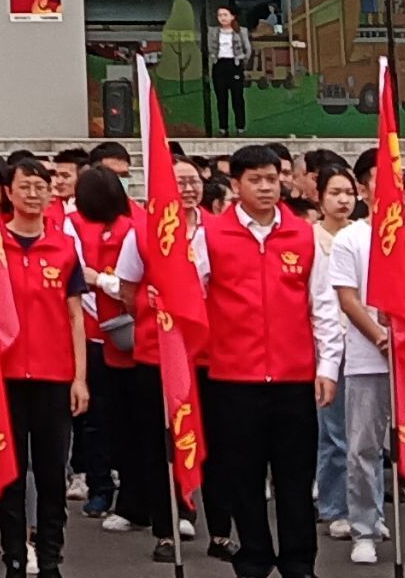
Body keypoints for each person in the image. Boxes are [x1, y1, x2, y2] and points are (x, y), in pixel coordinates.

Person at [135, 143, 335, 578]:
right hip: (232, 377)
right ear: (236, 184)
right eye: (255, 180)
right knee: (243, 477)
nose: (265, 187)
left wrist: (327, 368)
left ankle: (299, 562)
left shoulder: (302, 235)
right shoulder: (211, 236)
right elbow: (191, 292)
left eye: (272, 179)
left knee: (295, 479)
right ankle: (254, 559)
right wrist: (165, 297)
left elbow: (322, 305)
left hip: (294, 377)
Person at [0, 154, 86, 578]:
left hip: (54, 377)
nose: (33, 194)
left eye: (41, 187)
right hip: (4, 378)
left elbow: (75, 316)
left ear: (51, 194)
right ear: (8, 192)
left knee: (52, 474)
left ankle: (50, 557)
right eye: (25, 187)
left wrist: (80, 378)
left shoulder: (65, 247)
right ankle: (14, 556)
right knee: (8, 474)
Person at [68, 164, 161, 546]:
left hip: (140, 335)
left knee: (148, 427)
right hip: (106, 338)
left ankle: (163, 506)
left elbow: (130, 285)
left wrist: (101, 280)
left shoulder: (136, 225)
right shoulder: (77, 225)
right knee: (117, 424)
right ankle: (128, 500)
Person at [322, 165, 403, 568]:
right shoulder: (350, 239)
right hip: (366, 357)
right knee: (362, 448)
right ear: (365, 190)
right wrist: (380, 337)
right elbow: (347, 298)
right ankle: (365, 528)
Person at [303, 167, 359, 548]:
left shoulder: (362, 235)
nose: (343, 200)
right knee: (334, 431)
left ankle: (366, 510)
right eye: (335, 192)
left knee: (365, 434)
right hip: (325, 342)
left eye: (349, 193)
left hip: (363, 340)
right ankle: (335, 506)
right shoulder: (309, 238)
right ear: (319, 197)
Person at [205, 7, 254, 133]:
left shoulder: (241, 31)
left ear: (232, 16)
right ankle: (223, 127)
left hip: (235, 64)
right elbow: (210, 48)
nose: (222, 18)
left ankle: (240, 126)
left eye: (225, 15)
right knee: (221, 98)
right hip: (219, 65)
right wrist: (213, 58)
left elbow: (248, 49)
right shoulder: (213, 32)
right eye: (220, 15)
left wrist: (242, 61)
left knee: (237, 97)